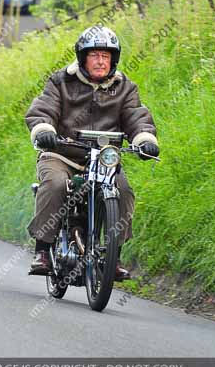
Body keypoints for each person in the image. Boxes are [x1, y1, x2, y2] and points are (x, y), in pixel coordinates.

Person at [25, 25, 159, 278]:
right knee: (55, 184)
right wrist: (44, 130)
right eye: (95, 55)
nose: (100, 61)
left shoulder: (125, 87)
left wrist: (145, 139)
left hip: (104, 159)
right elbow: (43, 109)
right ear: (82, 58)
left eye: (106, 56)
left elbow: (136, 116)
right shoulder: (61, 81)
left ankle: (112, 257)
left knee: (124, 192)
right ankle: (42, 250)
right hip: (61, 154)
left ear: (114, 59)